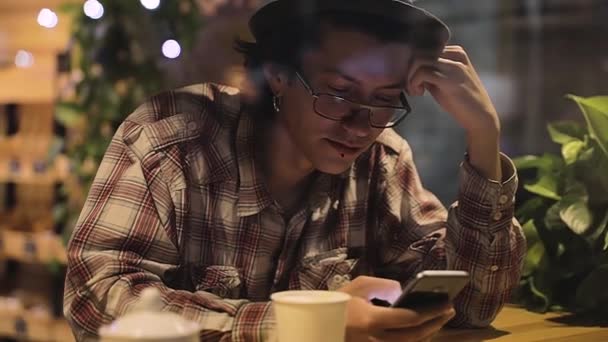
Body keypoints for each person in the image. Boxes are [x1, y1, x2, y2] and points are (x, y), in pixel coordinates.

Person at [63, 0, 526, 341]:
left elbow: (472, 308)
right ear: (279, 73)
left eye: (385, 100)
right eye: (341, 93)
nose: (361, 124)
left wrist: (484, 137)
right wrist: (309, 322)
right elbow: (97, 297)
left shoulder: (382, 160)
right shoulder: (173, 139)